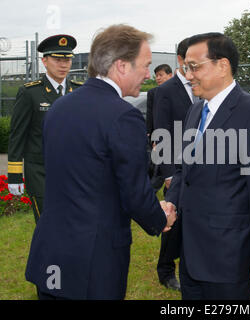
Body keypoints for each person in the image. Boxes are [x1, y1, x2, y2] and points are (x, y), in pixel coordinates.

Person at [25, 24, 176, 300]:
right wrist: (160, 217)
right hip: (93, 262)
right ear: (121, 66)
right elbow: (134, 192)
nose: (147, 74)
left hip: (51, 253)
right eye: (144, 65)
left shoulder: (60, 108)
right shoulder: (122, 117)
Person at [163, 32, 250, 300]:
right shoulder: (196, 110)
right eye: (185, 68)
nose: (188, 75)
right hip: (191, 254)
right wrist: (171, 202)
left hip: (228, 259)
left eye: (194, 67)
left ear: (222, 66)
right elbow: (186, 170)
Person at [7, 34, 82, 223]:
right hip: (41, 173)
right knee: (47, 225)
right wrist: (15, 174)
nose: (63, 64)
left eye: (67, 59)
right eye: (57, 59)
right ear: (44, 61)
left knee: (72, 225)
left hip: (74, 172)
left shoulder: (79, 90)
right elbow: (17, 135)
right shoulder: (30, 93)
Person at [152, 38, 194, 291]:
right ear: (180, 60)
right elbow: (160, 131)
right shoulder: (165, 91)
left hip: (200, 168)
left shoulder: (204, 87)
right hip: (176, 171)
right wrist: (167, 174)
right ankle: (166, 270)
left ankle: (192, 265)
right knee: (172, 221)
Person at [146, 64, 173, 141]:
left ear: (170, 75)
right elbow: (150, 114)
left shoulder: (178, 91)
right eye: (156, 76)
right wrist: (149, 132)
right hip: (159, 133)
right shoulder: (152, 93)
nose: (158, 78)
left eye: (160, 75)